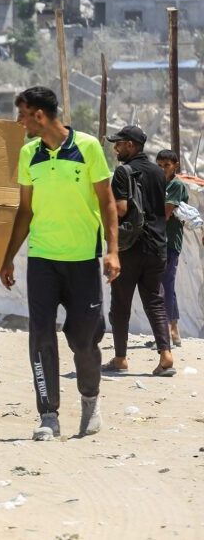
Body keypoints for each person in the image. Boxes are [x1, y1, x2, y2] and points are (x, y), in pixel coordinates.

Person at [0, 86, 119, 441]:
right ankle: (48, 414)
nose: (19, 122)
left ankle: (90, 399)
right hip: (42, 259)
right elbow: (25, 210)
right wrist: (7, 257)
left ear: (38, 115)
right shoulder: (28, 154)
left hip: (82, 260)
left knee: (83, 339)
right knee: (40, 336)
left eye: (22, 115)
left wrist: (113, 251)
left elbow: (108, 202)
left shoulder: (88, 147)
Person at [102, 126, 173, 376]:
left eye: (119, 143)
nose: (116, 148)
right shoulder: (158, 171)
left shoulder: (123, 172)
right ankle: (165, 355)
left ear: (131, 145)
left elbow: (120, 209)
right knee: (155, 300)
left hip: (131, 247)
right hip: (157, 246)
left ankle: (120, 359)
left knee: (120, 304)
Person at [157, 149, 188, 347]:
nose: (162, 169)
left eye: (166, 165)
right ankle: (173, 328)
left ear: (175, 165)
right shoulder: (160, 184)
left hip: (169, 241)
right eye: (159, 166)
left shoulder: (176, 185)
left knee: (166, 284)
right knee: (164, 284)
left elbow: (166, 212)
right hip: (158, 240)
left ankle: (169, 328)